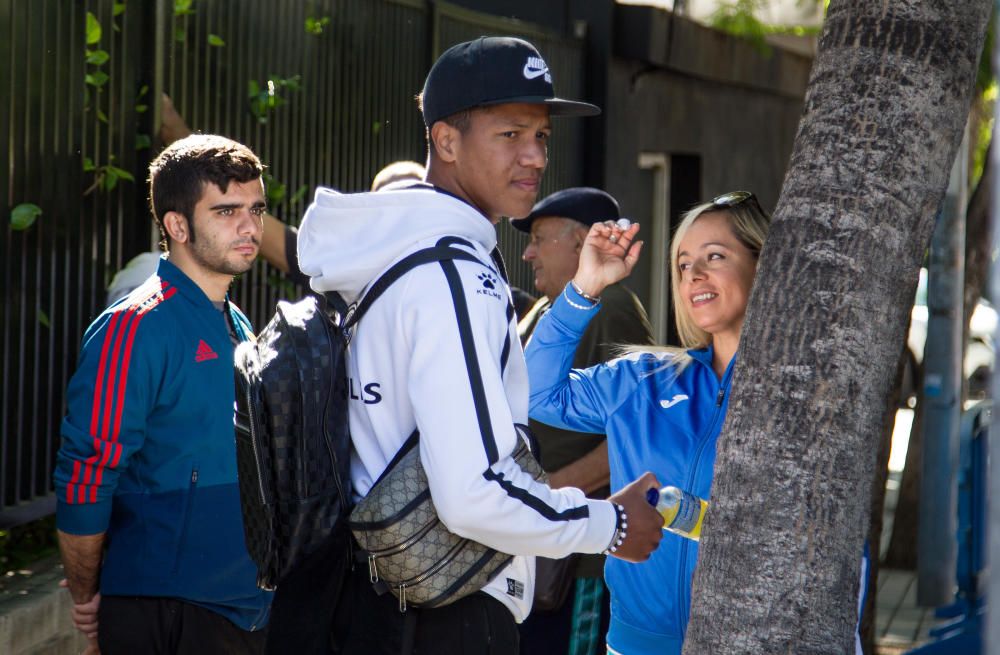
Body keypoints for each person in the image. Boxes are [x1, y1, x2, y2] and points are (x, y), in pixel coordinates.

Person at [297, 36, 664, 654]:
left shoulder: (402, 254)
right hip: (444, 614)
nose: (534, 156)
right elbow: (473, 494)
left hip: (380, 602)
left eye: (541, 137)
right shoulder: (452, 275)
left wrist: (580, 292)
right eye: (510, 134)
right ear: (445, 141)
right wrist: (611, 522)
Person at [54, 134, 273, 654]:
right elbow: (85, 475)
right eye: (226, 211)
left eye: (256, 208)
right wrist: (88, 596)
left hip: (245, 606)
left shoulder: (237, 322)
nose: (250, 226)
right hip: (169, 610)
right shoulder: (134, 327)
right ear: (177, 225)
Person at [525, 191, 769, 655]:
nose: (694, 274)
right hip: (635, 644)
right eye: (682, 264)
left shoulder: (793, 394)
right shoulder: (646, 378)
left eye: (714, 256)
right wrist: (585, 287)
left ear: (762, 264)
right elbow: (535, 394)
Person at [513, 187, 653, 655]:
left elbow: (637, 431)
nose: (528, 252)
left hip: (584, 561)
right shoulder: (543, 309)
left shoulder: (612, 309)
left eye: (539, 238)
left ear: (581, 243)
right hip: (542, 541)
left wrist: (546, 493)